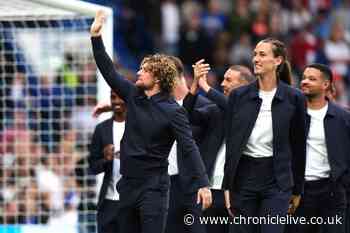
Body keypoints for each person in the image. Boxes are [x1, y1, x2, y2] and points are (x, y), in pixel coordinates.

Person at [90, 10, 211, 233]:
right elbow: (109, 71)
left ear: (157, 78)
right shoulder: (133, 96)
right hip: (126, 186)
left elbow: (189, 146)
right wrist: (96, 38)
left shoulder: (173, 111)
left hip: (153, 188)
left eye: (144, 70)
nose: (137, 72)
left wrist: (203, 183)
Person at [223, 38, 307, 233]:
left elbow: (299, 146)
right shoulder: (238, 96)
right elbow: (231, 144)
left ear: (278, 61)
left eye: (262, 55)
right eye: (254, 55)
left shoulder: (294, 98)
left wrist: (298, 189)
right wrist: (228, 185)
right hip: (244, 177)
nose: (256, 59)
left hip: (277, 179)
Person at [187, 61, 255, 233]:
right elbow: (186, 116)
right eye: (223, 79)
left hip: (238, 193)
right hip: (210, 191)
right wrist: (195, 86)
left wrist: (205, 86)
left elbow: (235, 108)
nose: (223, 83)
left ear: (245, 87)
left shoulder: (253, 111)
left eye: (228, 80)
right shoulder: (215, 111)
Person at [291, 63, 350, 233]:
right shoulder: (293, 114)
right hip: (299, 193)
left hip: (332, 192)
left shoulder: (343, 117)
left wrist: (344, 182)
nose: (305, 82)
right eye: (303, 78)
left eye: (311, 79)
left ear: (326, 85)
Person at [88, 90, 126, 233]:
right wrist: (106, 159)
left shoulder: (138, 125)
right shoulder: (101, 129)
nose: (116, 101)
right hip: (108, 202)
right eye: (113, 97)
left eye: (120, 97)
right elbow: (93, 167)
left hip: (132, 201)